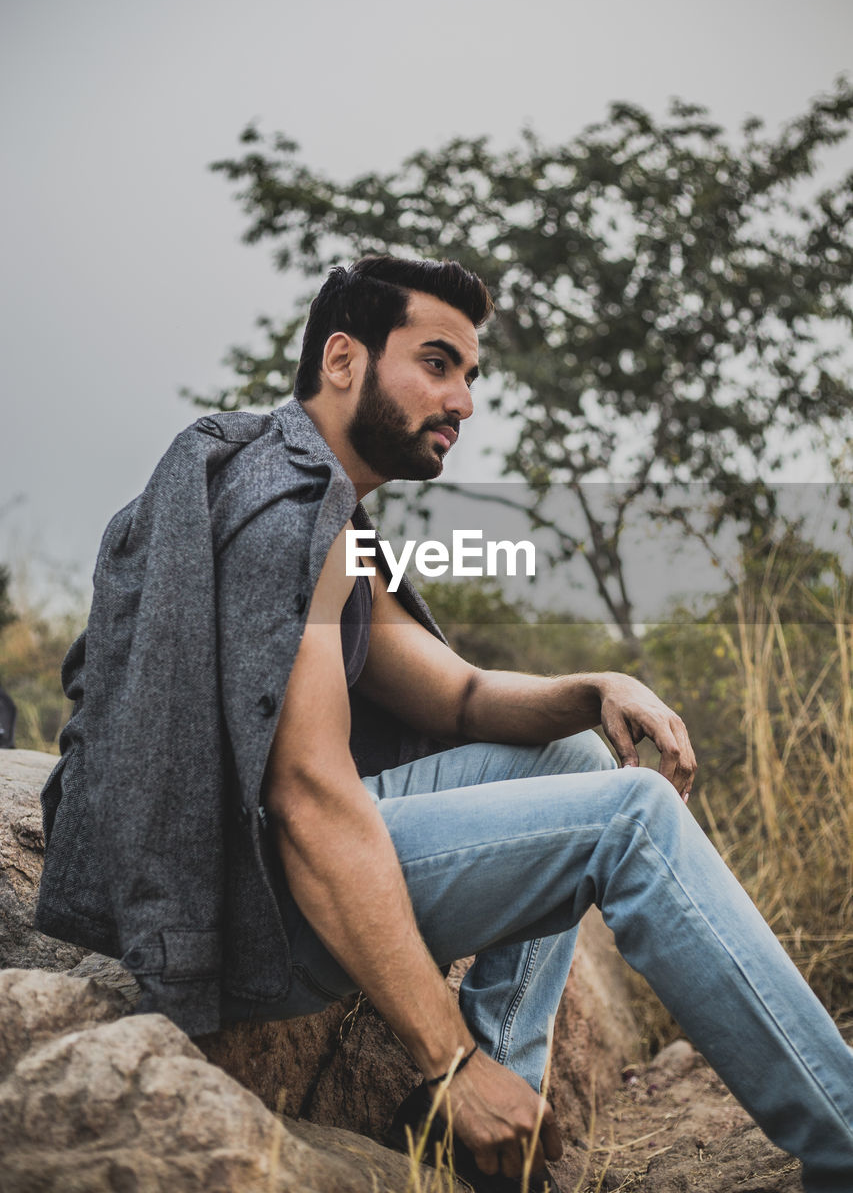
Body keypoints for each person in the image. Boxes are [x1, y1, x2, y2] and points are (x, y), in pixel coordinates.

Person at [36, 256, 852, 1193]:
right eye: (436, 362)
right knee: (631, 818)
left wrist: (595, 685)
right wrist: (448, 1058)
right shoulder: (282, 515)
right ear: (342, 359)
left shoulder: (322, 511)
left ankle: (486, 1137)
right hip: (252, 905)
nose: (462, 399)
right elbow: (305, 797)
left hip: (267, 864)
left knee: (573, 753)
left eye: (470, 375)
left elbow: (455, 695)